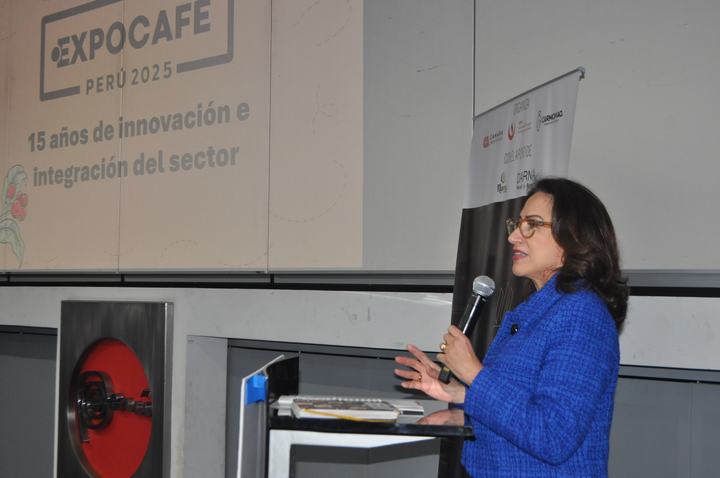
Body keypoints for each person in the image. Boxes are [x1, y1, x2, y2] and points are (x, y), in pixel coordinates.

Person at [395, 177, 628, 477]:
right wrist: (458, 397)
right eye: (517, 224)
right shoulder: (537, 310)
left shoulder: (582, 316)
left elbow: (552, 435)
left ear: (572, 237)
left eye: (531, 225)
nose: (514, 237)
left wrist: (474, 374)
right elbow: (520, 414)